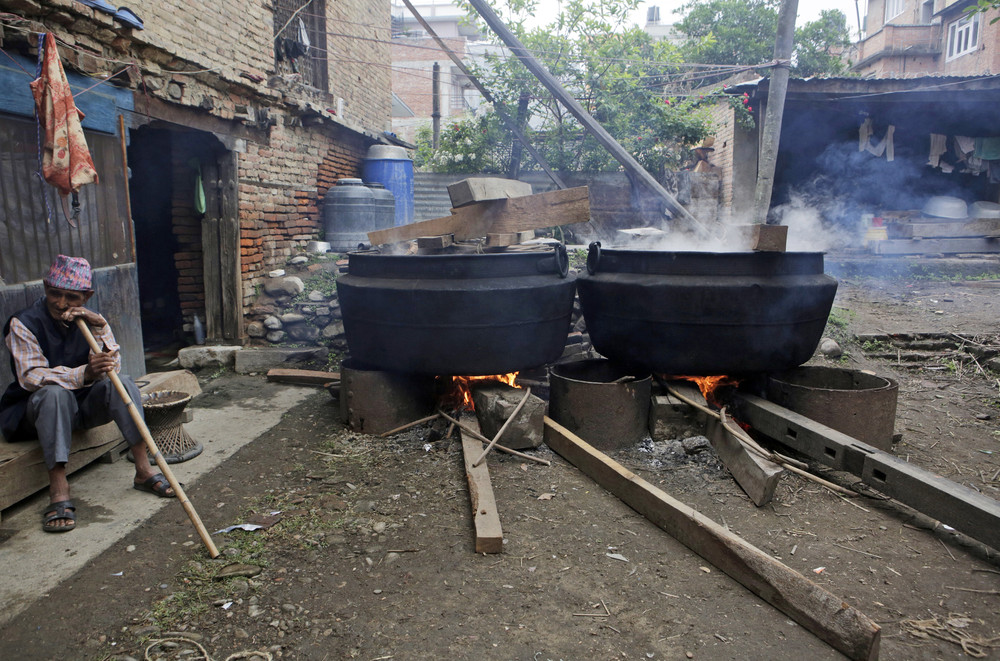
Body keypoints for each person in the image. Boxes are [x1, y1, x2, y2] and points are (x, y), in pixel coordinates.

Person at [0, 255, 174, 533]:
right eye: (54, 293)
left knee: (124, 382)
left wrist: (101, 326)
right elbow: (31, 377)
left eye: (71, 297)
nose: (60, 303)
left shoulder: (91, 320)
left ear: (87, 296)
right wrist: (84, 374)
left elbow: (112, 366)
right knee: (54, 394)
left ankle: (143, 469)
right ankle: (58, 488)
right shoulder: (22, 323)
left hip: (80, 407)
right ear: (45, 287)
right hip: (34, 413)